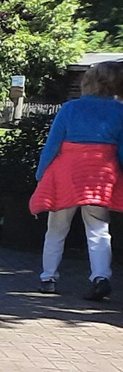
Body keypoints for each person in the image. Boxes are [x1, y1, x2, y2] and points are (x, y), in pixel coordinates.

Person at [31, 59, 123, 300]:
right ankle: (101, 277)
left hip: (67, 175)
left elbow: (52, 146)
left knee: (56, 229)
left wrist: (41, 175)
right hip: (101, 174)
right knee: (98, 229)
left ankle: (48, 278)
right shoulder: (120, 111)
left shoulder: (70, 108)